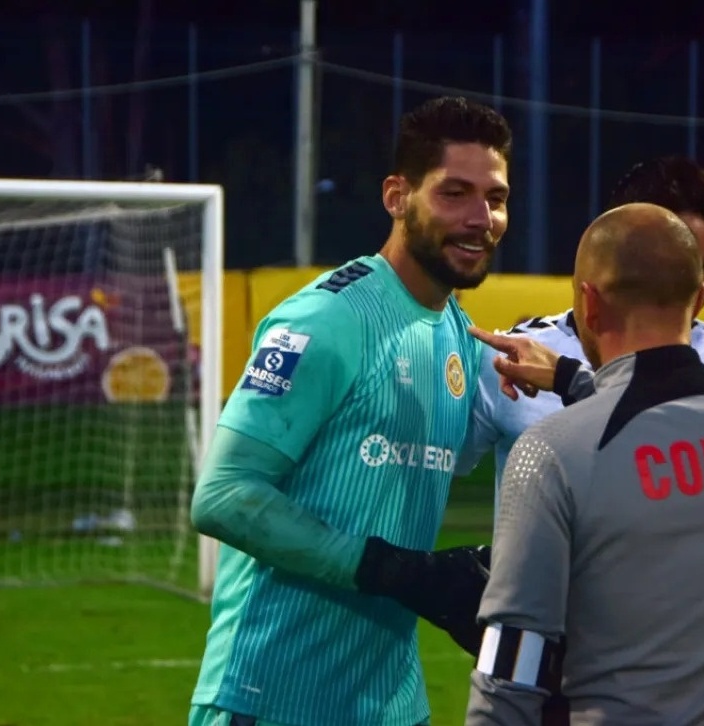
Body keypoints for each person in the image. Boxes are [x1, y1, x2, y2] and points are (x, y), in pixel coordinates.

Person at [188, 96, 511, 726]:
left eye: (495, 198)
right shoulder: (328, 318)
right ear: (397, 196)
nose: (481, 218)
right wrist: (394, 570)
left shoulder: (457, 335)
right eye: (455, 193)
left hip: (391, 703)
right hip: (270, 698)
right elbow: (222, 495)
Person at [459, 156, 704, 661]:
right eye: (682, 261)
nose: (698, 287)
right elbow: (435, 468)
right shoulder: (510, 359)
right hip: (543, 656)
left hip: (675, 657)